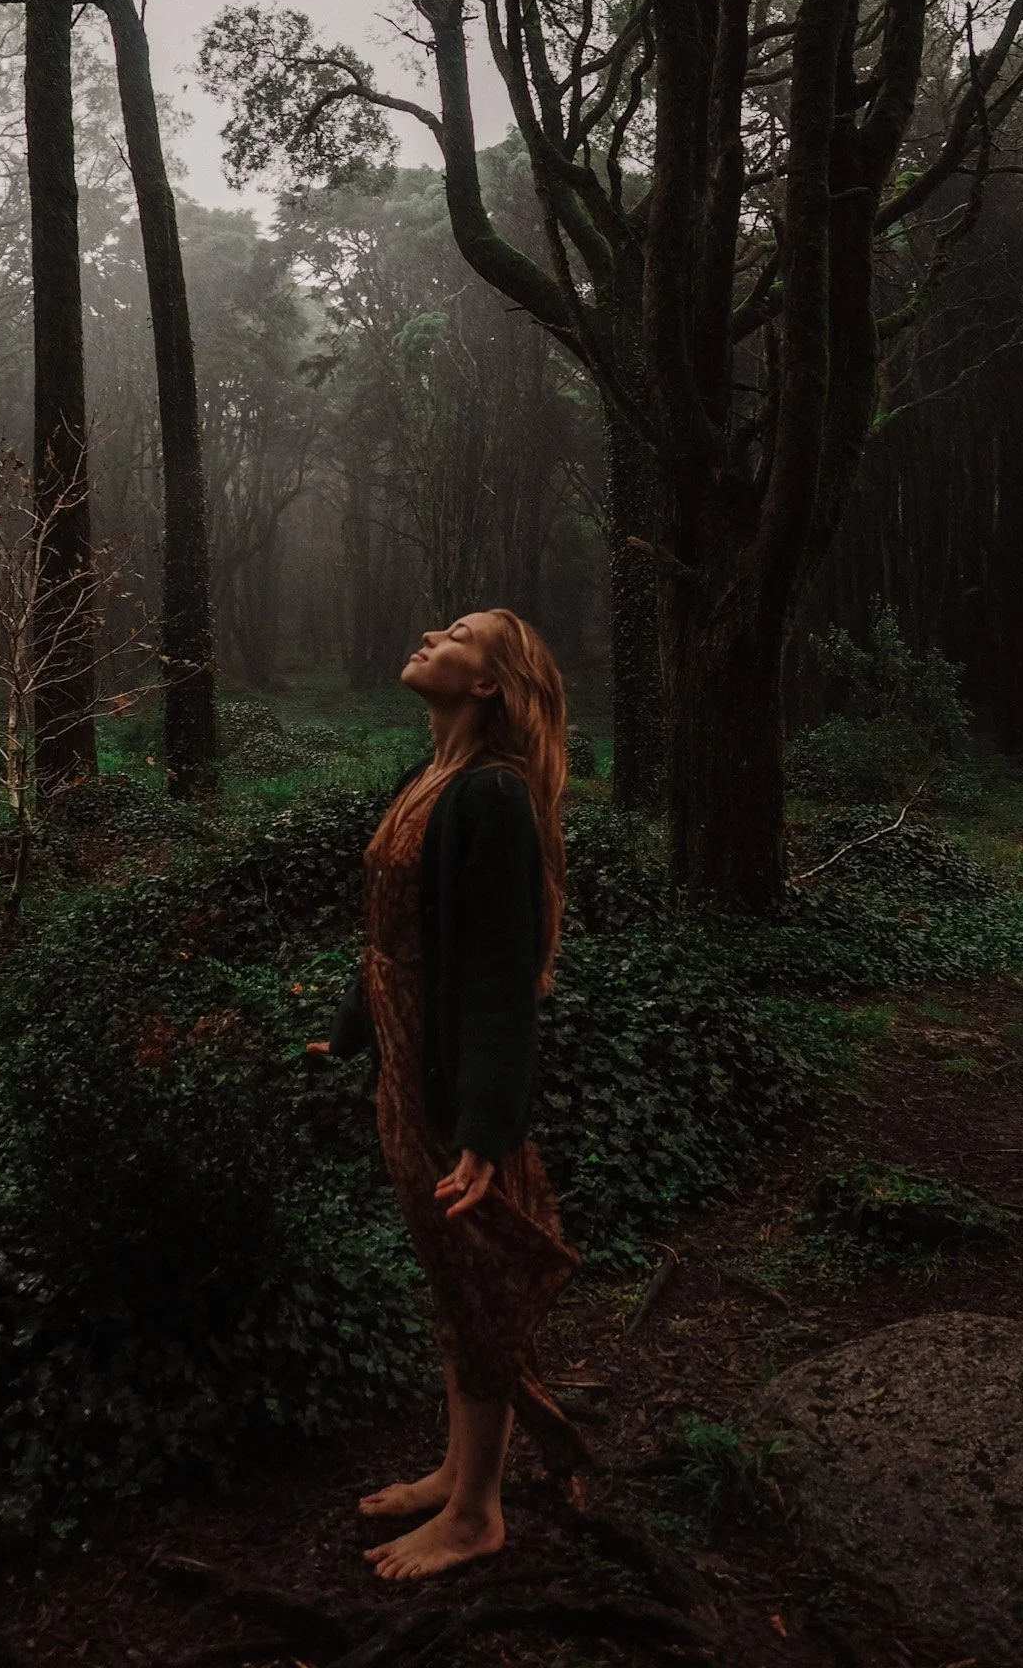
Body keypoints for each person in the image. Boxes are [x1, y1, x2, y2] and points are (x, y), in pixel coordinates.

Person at [306, 608, 588, 1581]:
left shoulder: (493, 795)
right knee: (447, 1274)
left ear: (485, 683)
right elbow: (395, 930)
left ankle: (476, 1513)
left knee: (477, 1285)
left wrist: (483, 1128)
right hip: (403, 1068)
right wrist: (351, 1030)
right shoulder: (430, 777)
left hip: (448, 1087)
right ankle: (454, 1470)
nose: (429, 633)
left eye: (458, 632)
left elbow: (500, 975)